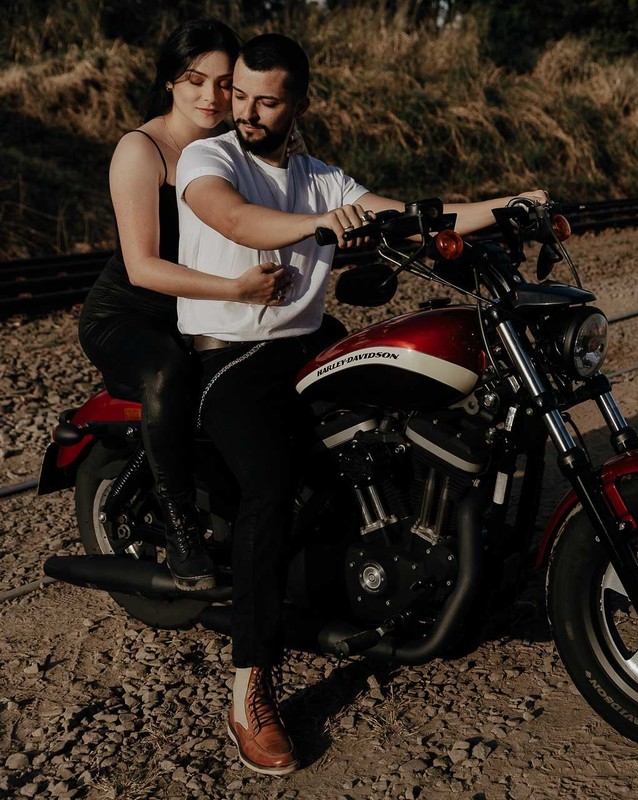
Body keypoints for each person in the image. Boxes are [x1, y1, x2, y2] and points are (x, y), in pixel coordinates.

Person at [174, 32, 546, 775]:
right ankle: (250, 687)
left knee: (398, 432)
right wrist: (312, 229)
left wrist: (508, 206)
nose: (245, 111)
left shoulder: (318, 175)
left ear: (298, 103)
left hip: (305, 343)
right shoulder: (209, 158)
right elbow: (233, 219)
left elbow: (411, 214)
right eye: (240, 95)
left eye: (265, 100)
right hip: (230, 357)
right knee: (270, 488)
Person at [77, 20, 288, 592]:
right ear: (171, 80)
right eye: (197, 80)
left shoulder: (232, 147)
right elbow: (143, 267)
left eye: (226, 85)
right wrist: (236, 291)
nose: (212, 97)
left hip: (191, 309)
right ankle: (180, 526)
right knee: (170, 366)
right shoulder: (140, 150)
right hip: (128, 314)